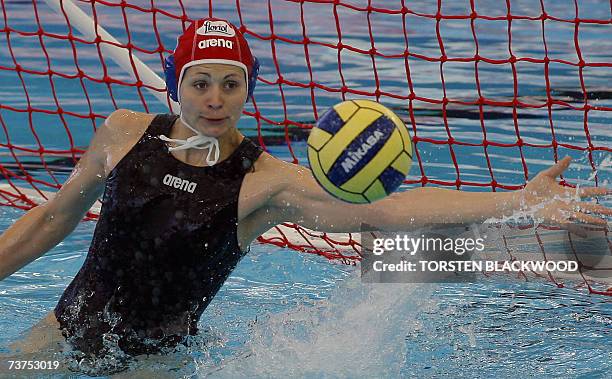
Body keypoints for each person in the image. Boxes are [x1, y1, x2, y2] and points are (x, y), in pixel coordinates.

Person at [0, 16, 610, 368]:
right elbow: (53, 218)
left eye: (231, 84)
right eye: (202, 82)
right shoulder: (123, 134)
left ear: (249, 88)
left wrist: (517, 200)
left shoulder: (266, 183)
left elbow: (390, 208)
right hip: (58, 336)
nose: (215, 99)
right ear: (176, 83)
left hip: (151, 365)